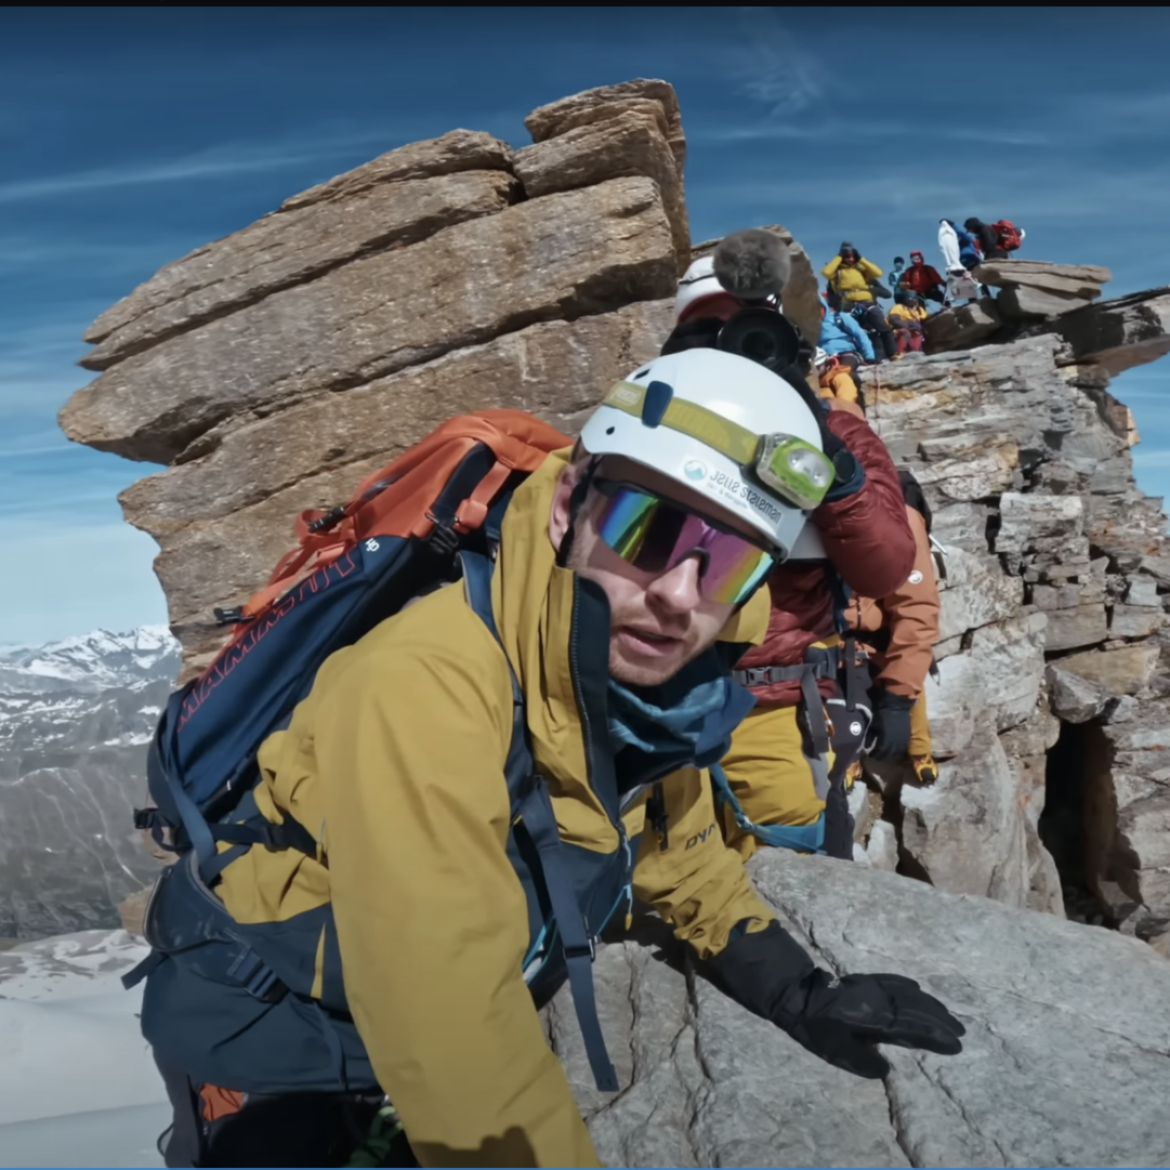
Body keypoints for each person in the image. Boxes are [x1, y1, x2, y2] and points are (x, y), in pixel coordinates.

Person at [140, 347, 964, 1168]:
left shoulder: (654, 685)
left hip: (422, 1024)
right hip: (280, 1048)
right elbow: (448, 1013)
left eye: (726, 559)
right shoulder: (422, 684)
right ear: (569, 505)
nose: (678, 594)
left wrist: (797, 990)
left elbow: (678, 861)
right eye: (647, 528)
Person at [842, 469, 941, 789]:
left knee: (908, 677)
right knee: (844, 694)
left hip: (879, 627)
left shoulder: (896, 514)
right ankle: (849, 755)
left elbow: (916, 610)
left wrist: (897, 702)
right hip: (842, 633)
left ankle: (920, 751)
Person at [821, 243, 897, 361]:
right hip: (847, 304)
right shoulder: (837, 271)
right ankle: (863, 357)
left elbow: (878, 273)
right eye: (847, 256)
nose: (850, 258)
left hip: (867, 302)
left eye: (852, 256)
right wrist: (839, 257)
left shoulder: (861, 268)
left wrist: (861, 259)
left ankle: (892, 353)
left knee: (883, 328)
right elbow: (826, 272)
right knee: (854, 332)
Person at [818, 292, 874, 364]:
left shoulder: (839, 317)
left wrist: (869, 355)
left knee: (844, 369)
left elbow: (860, 334)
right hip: (824, 357)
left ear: (824, 306)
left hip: (847, 353)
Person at [887, 290, 928, 355]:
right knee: (905, 332)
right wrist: (909, 324)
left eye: (913, 298)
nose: (911, 300)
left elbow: (926, 319)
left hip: (915, 331)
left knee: (918, 333)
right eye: (909, 298)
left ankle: (915, 353)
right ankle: (900, 353)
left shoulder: (919, 309)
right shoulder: (899, 307)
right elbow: (893, 319)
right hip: (897, 330)